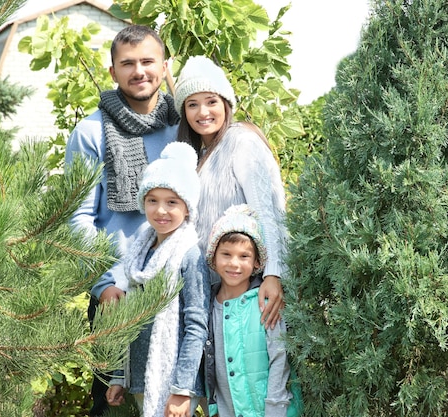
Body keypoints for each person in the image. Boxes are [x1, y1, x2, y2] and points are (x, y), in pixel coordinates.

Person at [63, 24, 181, 416]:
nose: (139, 71)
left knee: (177, 402)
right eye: (127, 63)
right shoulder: (91, 131)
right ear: (112, 72)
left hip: (177, 290)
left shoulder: (183, 128)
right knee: (113, 407)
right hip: (118, 295)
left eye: (148, 61)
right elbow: (78, 217)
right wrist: (103, 285)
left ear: (165, 67)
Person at [92, 142, 210, 417]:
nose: (160, 211)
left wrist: (182, 389)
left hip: (175, 382)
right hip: (142, 375)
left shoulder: (189, 256)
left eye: (172, 202)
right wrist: (121, 377)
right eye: (152, 200)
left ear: (187, 208)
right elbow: (130, 321)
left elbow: (196, 326)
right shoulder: (139, 254)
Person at [174, 55, 287, 329]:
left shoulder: (241, 142)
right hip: (215, 296)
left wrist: (274, 275)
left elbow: (269, 212)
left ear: (226, 104)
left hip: (249, 291)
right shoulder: (196, 156)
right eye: (192, 104)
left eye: (211, 102)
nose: (203, 112)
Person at [204, 205, 302, 417]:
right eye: (226, 254)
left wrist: (275, 408)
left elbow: (279, 356)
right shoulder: (209, 306)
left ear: (257, 261)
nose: (234, 263)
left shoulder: (265, 302)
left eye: (244, 256)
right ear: (213, 257)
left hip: (270, 411)